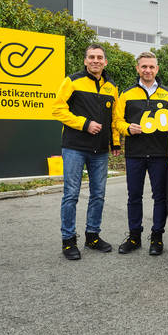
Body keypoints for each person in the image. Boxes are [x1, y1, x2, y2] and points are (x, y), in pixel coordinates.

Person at [52, 43, 120, 260]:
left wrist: (115, 143)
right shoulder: (72, 81)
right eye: (91, 57)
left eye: (99, 57)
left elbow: (114, 118)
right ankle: (68, 241)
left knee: (98, 195)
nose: (95, 61)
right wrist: (84, 124)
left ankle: (93, 237)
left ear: (105, 62)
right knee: (71, 194)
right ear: (85, 60)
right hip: (74, 147)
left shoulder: (111, 87)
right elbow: (57, 109)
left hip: (100, 150)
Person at [114, 51, 168, 256]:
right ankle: (134, 237)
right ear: (137, 68)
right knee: (134, 196)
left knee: (160, 197)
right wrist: (127, 128)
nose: (147, 70)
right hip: (135, 153)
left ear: (157, 69)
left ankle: (157, 237)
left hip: (160, 154)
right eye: (144, 66)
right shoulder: (126, 94)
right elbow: (117, 121)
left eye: (151, 67)